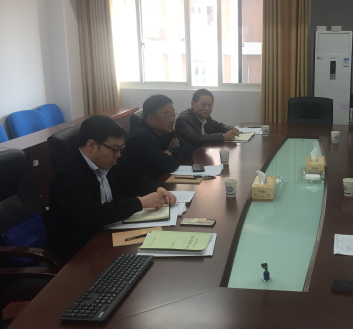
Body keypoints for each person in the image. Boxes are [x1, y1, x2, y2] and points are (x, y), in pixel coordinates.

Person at [46, 116, 176, 262]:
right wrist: (140, 203)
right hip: (80, 252)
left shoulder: (105, 163)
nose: (118, 155)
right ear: (91, 145)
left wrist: (158, 188)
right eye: (114, 149)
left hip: (107, 234)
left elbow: (134, 181)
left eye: (121, 149)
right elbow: (94, 216)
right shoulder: (67, 176)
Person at [118, 95, 194, 179]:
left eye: (173, 114)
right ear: (150, 119)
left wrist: (171, 151)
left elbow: (189, 148)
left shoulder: (164, 130)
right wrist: (171, 155)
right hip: (137, 184)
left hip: (157, 179)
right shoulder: (139, 138)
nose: (173, 120)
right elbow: (169, 165)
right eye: (168, 116)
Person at [175, 89, 239, 148]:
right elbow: (196, 138)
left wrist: (230, 129)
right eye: (203, 104)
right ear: (193, 104)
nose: (207, 108)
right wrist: (222, 136)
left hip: (204, 151)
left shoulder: (205, 116)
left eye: (210, 105)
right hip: (190, 154)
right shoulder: (183, 120)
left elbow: (217, 125)